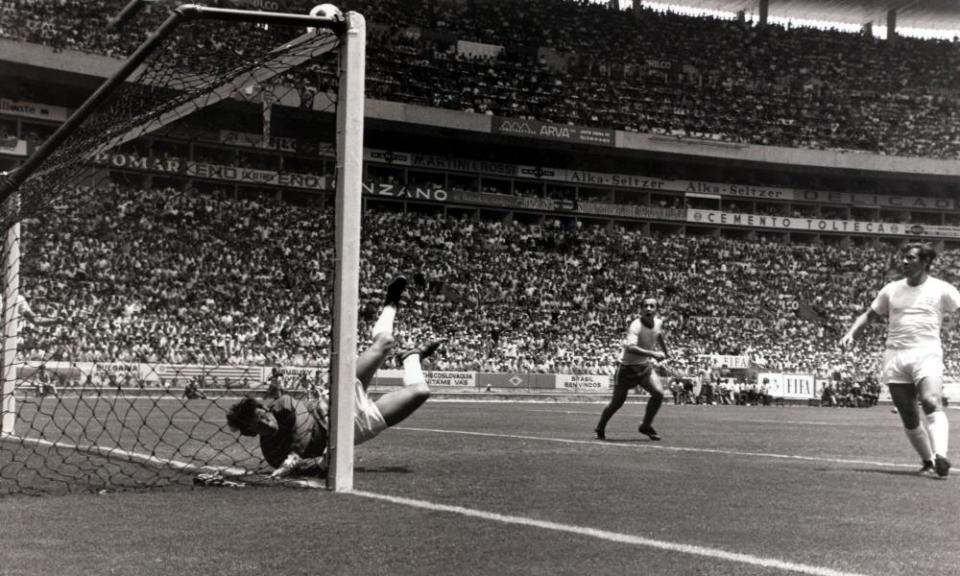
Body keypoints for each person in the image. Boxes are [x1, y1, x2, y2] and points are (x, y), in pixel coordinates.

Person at [226, 276, 444, 477]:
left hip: (334, 400)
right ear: (250, 432)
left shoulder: (281, 406)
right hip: (352, 429)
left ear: (264, 409)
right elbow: (309, 468)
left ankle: (391, 301)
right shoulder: (272, 453)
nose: (267, 422)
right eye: (260, 425)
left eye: (263, 416)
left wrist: (295, 453)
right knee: (421, 392)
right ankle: (411, 358)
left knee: (385, 342)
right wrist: (321, 463)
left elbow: (301, 417)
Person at [840, 242, 956, 479]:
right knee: (908, 413)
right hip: (895, 355)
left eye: (911, 258)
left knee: (931, 401)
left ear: (925, 262)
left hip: (927, 352)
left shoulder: (942, 289)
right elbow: (869, 315)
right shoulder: (891, 289)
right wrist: (851, 333)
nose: (904, 262)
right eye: (903, 258)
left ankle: (941, 455)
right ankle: (928, 461)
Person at [594, 296, 670, 441]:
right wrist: (654, 353)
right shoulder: (635, 326)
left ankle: (645, 426)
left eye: (652, 306)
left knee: (659, 393)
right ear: (641, 309)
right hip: (627, 369)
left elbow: (658, 334)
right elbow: (631, 347)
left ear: (656, 310)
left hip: (644, 367)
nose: (648, 308)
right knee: (616, 403)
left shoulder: (659, 323)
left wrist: (666, 351)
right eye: (645, 306)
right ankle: (600, 427)